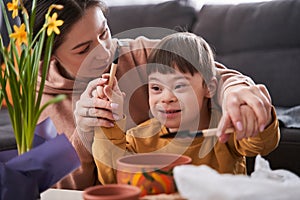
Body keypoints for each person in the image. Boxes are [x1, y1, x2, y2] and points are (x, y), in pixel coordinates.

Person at [18, 0, 274, 190]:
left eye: (104, 32)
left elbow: (213, 74)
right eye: (84, 49)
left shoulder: (139, 53)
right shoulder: (38, 101)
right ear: (49, 58)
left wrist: (236, 91)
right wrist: (84, 133)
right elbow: (59, 190)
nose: (105, 52)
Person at [92, 32, 280, 184]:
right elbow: (111, 179)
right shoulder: (139, 138)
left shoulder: (225, 129)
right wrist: (109, 120)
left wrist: (256, 116)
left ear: (209, 87)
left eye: (180, 86)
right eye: (156, 88)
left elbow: (262, 145)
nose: (166, 98)